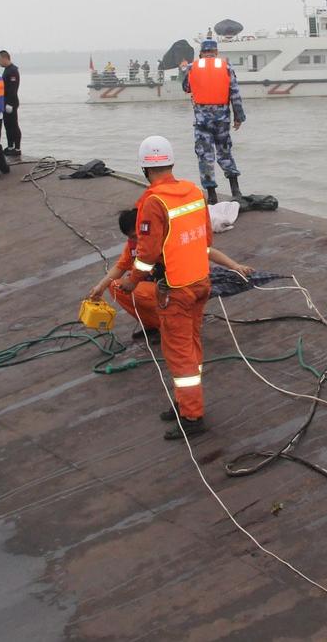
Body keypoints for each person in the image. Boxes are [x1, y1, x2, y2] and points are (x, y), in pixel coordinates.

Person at [117, 136, 213, 439]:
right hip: (200, 282)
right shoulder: (194, 192)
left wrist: (132, 281)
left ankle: (192, 416)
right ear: (170, 163)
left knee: (179, 353)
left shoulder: (153, 202)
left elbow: (145, 254)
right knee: (191, 345)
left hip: (176, 289)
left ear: (145, 169)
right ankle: (186, 402)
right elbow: (207, 239)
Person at [88, 207, 253, 340]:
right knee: (116, 286)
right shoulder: (134, 245)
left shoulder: (169, 238)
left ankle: (175, 326)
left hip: (179, 287)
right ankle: (157, 325)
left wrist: (235, 266)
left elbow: (207, 251)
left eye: (139, 234)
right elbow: (121, 266)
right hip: (157, 283)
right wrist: (100, 287)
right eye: (133, 237)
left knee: (141, 292)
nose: (138, 240)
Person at [180, 36, 245, 204]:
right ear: (216, 53)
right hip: (222, 119)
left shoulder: (192, 67)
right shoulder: (226, 67)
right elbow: (235, 94)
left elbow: (186, 88)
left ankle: (212, 196)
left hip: (202, 120)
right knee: (225, 152)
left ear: (201, 54)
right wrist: (239, 117)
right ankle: (235, 190)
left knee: (205, 155)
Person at [0, 50, 21, 155]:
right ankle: (10, 146)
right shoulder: (7, 70)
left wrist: (10, 103)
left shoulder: (12, 71)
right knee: (7, 125)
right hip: (5, 101)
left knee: (13, 125)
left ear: (5, 58)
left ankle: (17, 148)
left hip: (11, 102)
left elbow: (13, 89)